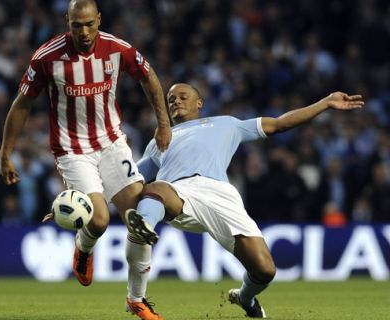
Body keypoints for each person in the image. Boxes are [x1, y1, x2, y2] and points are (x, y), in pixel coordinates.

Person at [124, 83, 364, 319]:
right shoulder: (159, 140)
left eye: (182, 96)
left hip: (220, 194)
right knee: (154, 189)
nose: (176, 101)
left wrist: (325, 103)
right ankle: (144, 228)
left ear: (199, 103)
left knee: (264, 269)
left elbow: (279, 124)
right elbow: (131, 178)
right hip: (177, 192)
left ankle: (244, 297)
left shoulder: (227, 124)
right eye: (171, 99)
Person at [0, 0, 171, 298]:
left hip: (112, 143)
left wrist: (164, 123)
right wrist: (5, 153)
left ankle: (137, 299)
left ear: (99, 19)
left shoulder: (117, 48)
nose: (84, 31)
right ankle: (83, 248)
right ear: (67, 21)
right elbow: (22, 104)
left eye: (90, 24)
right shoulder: (47, 57)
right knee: (100, 220)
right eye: (77, 25)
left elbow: (149, 77)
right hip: (72, 150)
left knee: (138, 217)